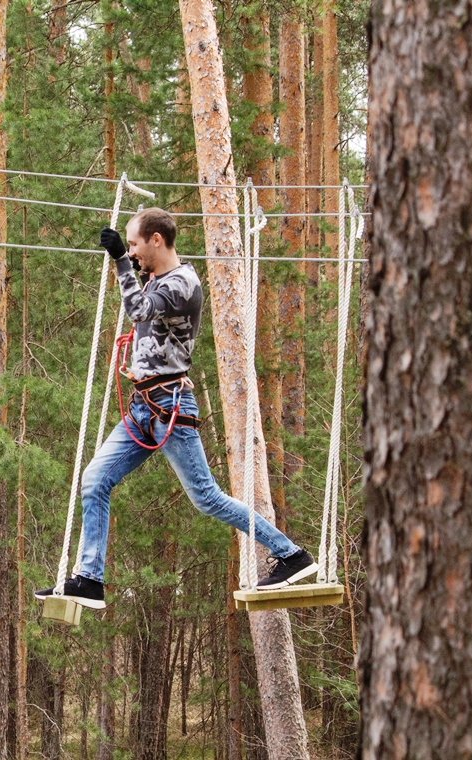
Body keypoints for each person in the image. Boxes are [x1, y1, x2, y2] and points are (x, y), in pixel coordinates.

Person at [35, 208, 317, 610]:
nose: (131, 252)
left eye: (134, 244)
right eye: (127, 247)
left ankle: (291, 555)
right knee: (94, 480)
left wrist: (119, 262)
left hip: (169, 407)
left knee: (207, 497)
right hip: (143, 408)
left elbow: (139, 311)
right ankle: (89, 579)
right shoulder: (157, 277)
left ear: (156, 240)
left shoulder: (183, 283)